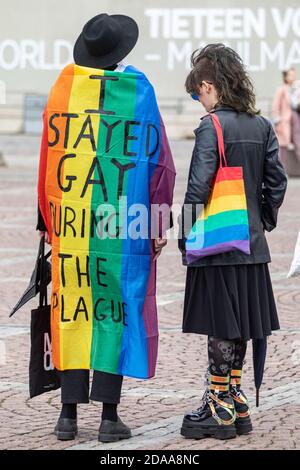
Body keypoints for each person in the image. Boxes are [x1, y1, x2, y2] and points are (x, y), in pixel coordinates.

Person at [37, 13, 175, 442]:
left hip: (73, 229)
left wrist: (47, 219)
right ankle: (109, 417)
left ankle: (67, 416)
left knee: (74, 310)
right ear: (121, 52)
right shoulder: (139, 92)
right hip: (123, 227)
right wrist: (157, 220)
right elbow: (160, 164)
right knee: (115, 310)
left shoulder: (63, 88)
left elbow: (48, 161)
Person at [179, 43, 287, 440]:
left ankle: (218, 407)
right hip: (251, 246)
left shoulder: (213, 126)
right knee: (241, 323)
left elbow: (198, 186)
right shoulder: (261, 125)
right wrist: (261, 221)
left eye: (197, 94)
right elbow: (277, 182)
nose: (198, 102)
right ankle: (235, 399)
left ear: (209, 86)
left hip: (219, 244)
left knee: (221, 324)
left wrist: (184, 234)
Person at [272, 67, 300, 167]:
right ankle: (281, 170)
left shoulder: (296, 88)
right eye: (290, 75)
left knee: (298, 142)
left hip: (296, 119)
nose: (293, 77)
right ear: (285, 77)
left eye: (294, 75)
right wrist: (277, 119)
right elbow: (275, 105)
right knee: (282, 146)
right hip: (285, 120)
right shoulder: (282, 89)